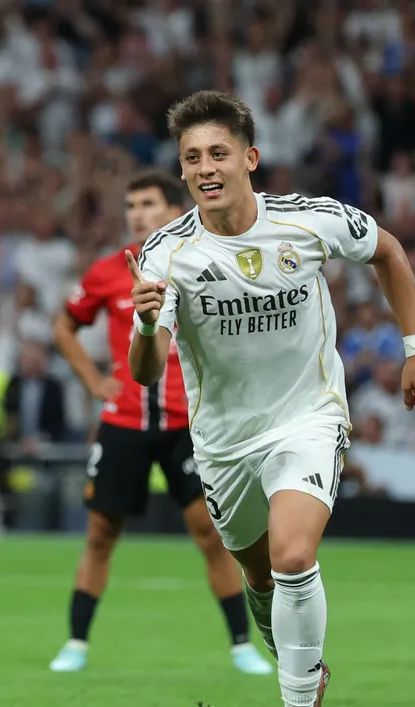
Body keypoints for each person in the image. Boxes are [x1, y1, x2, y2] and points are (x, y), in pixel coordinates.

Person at [127, 91, 415, 707]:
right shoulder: (169, 252)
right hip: (225, 443)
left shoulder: (309, 219)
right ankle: (306, 670)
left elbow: (387, 251)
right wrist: (145, 327)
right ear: (183, 173)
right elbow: (150, 372)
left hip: (307, 417)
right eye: (192, 159)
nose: (206, 168)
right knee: (262, 582)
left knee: (296, 555)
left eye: (218, 154)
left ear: (249, 159)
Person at [49, 171, 273, 677]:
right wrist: (92, 380)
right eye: (131, 204)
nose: (137, 213)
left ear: (174, 210)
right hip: (124, 422)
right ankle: (76, 643)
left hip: (186, 424)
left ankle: (241, 645)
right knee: (101, 532)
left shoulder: (202, 262)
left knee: (210, 533)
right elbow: (64, 325)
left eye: (148, 203)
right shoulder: (108, 272)